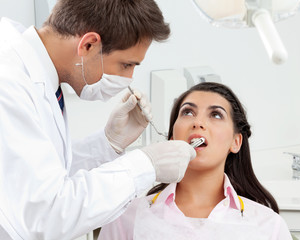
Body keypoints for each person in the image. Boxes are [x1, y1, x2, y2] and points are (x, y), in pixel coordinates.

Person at [0, 0, 196, 239]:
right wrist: (145, 165)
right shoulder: (8, 82)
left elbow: (43, 176)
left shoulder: (32, 64)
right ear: (89, 44)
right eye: (126, 64)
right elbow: (45, 216)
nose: (129, 77)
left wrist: (107, 144)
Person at [98, 82, 293, 240]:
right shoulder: (126, 218)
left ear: (236, 142)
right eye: (187, 112)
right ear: (173, 137)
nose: (197, 122)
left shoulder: (269, 226)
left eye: (216, 115)